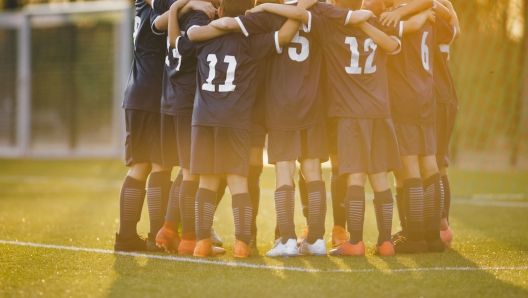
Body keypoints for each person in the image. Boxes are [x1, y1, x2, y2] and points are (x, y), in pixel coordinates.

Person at [177, 0, 316, 257]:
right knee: (239, 181)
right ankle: (242, 244)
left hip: (204, 120)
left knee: (206, 182)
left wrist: (175, 10)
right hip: (235, 120)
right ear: (249, 16)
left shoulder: (203, 39)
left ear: (219, 12)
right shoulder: (251, 43)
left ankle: (201, 243)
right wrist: (299, 10)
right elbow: (284, 36)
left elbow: (176, 43)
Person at [383, 0, 456, 253]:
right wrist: (432, 9)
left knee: (410, 166)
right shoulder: (429, 17)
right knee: (430, 165)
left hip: (404, 97)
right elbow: (453, 29)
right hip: (427, 96)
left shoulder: (392, 17)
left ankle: (415, 239)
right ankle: (433, 238)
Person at [114, 0, 175, 252]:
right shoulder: (161, 5)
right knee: (160, 165)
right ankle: (156, 237)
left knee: (141, 165)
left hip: (138, 92)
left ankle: (127, 236)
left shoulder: (142, 3)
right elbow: (169, 13)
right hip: (153, 94)